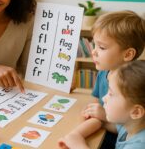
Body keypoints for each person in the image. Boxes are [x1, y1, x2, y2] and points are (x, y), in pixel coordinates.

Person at [58, 11, 145, 148]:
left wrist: (78, 144)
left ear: (128, 54)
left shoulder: (138, 143)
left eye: (102, 47)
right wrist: (78, 133)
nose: (93, 51)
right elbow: (116, 125)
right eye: (94, 45)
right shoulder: (130, 127)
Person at [59, 60, 145, 149]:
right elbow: (117, 128)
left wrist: (78, 145)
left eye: (111, 94)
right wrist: (77, 134)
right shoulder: (132, 125)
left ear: (136, 112)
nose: (104, 98)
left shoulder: (139, 145)